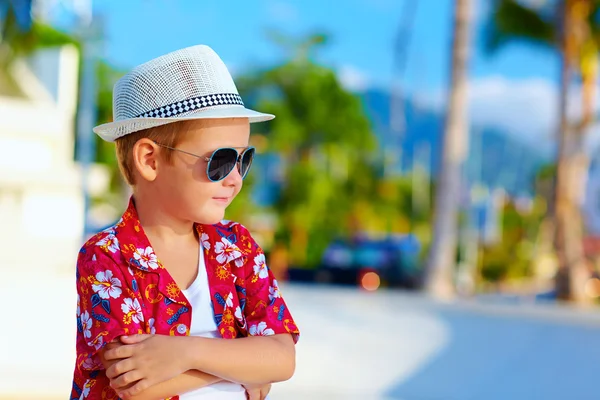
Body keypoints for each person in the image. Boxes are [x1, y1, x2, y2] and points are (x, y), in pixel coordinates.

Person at [70, 44, 300, 400]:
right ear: (149, 160)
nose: (236, 178)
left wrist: (182, 353)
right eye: (220, 160)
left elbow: (282, 358)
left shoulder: (237, 247)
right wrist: (241, 364)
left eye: (244, 159)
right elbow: (136, 386)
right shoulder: (106, 257)